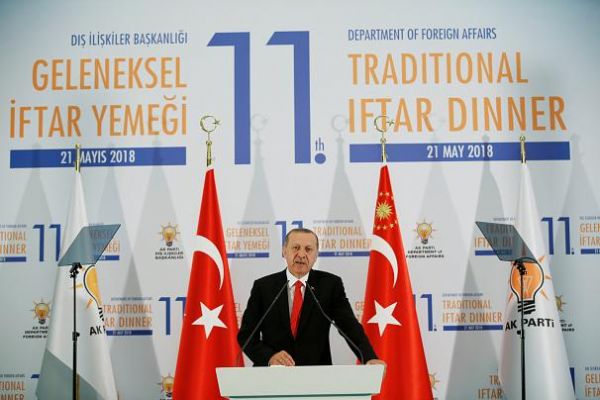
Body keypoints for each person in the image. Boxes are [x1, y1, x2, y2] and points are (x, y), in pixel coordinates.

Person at [238, 228, 385, 367]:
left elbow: (349, 327)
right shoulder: (263, 287)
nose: (301, 255)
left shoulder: (330, 285)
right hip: (272, 375)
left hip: (317, 376)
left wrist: (369, 357)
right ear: (284, 251)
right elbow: (246, 335)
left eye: (308, 249)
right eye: (296, 248)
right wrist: (269, 357)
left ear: (316, 255)